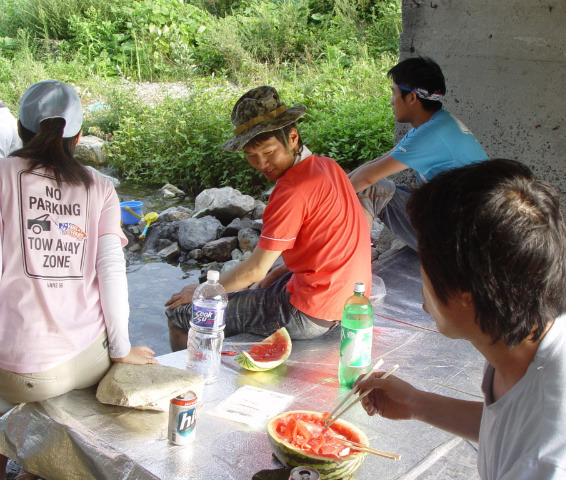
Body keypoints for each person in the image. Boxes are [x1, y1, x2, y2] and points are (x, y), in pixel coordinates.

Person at [357, 159, 566, 479]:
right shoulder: (544, 326)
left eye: (425, 260)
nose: (420, 274)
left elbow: (531, 446)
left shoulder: (547, 465)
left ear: (468, 294)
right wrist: (418, 404)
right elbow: (509, 428)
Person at [0, 81, 157, 480]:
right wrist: (121, 349)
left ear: (20, 129)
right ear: (79, 136)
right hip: (80, 366)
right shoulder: (100, 187)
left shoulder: (2, 175)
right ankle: (40, 469)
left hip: (9, 369)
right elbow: (111, 272)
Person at [165, 86, 371, 350]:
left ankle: (188, 384)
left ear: (293, 137)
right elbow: (327, 246)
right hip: (350, 300)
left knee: (181, 315)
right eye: (251, 156)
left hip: (312, 312)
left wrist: (200, 291)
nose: (261, 164)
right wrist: (279, 271)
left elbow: (255, 269)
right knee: (258, 282)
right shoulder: (327, 166)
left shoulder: (291, 190)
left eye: (268, 151)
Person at [348, 56, 488, 251]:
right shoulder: (437, 124)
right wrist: (337, 183)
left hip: (460, 244)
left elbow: (368, 178)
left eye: (394, 93)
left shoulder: (432, 134)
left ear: (412, 98)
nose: (391, 102)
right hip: (465, 229)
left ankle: (356, 264)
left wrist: (322, 200)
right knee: (380, 188)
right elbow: (376, 164)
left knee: (367, 190)